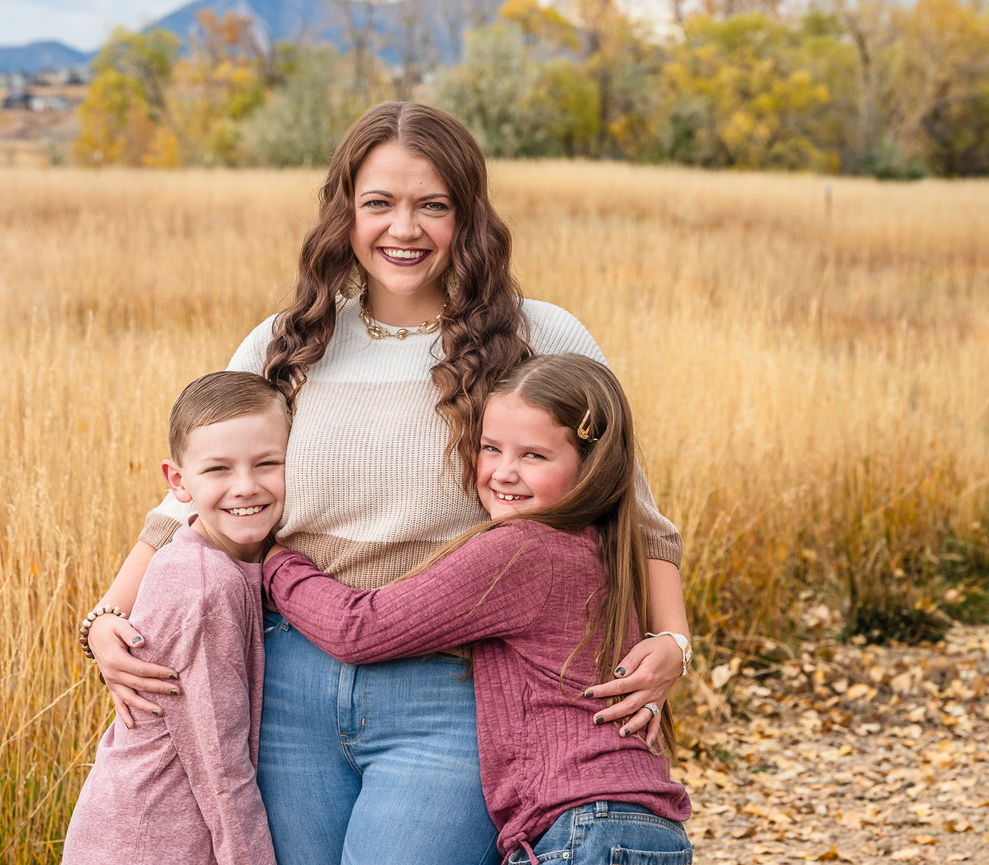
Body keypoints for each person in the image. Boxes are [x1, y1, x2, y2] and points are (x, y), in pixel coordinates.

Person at [85, 101, 691, 865]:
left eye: (431, 206)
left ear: (467, 217)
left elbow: (634, 509)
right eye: (378, 203)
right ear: (344, 212)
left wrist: (672, 640)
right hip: (284, 686)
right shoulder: (285, 343)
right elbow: (194, 496)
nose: (402, 230)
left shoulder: (539, 337)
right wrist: (107, 614)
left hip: (451, 693)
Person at [262, 354, 692, 865]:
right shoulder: (604, 546)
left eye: (534, 455)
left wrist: (272, 561)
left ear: (591, 465)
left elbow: (360, 627)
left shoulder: (523, 550)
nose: (504, 473)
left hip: (581, 832)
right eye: (491, 448)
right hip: (634, 826)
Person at [62, 372, 287, 865]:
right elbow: (219, 766)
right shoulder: (205, 587)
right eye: (219, 470)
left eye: (268, 463)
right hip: (149, 843)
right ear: (178, 482)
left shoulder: (222, 559)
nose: (245, 487)